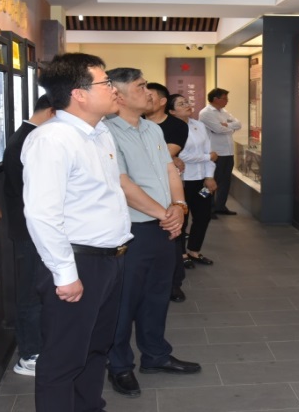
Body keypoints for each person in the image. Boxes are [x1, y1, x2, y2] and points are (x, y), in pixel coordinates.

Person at [21, 53, 132, 412]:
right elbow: (42, 214)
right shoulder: (52, 140)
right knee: (63, 358)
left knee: (96, 349)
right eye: (105, 83)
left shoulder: (100, 133)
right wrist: (65, 274)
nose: (113, 89)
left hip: (109, 260)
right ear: (79, 94)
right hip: (77, 262)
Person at [104, 68, 201, 399]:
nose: (149, 92)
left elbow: (170, 170)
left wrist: (179, 206)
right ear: (118, 95)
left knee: (157, 294)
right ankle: (119, 365)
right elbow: (122, 183)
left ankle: (156, 355)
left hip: (163, 225)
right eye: (141, 86)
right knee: (124, 300)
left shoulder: (151, 128)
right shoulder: (105, 133)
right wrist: (166, 214)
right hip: (132, 229)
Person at [2, 94, 55, 376]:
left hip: (34, 227)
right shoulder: (27, 140)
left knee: (38, 289)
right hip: (30, 229)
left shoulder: (28, 136)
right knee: (31, 291)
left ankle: (37, 346)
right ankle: (30, 354)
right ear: (52, 111)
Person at [144, 82, 190, 302]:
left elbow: (164, 156)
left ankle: (174, 284)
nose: (145, 98)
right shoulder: (136, 122)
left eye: (150, 95)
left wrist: (170, 158)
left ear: (163, 101)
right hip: (139, 191)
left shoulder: (176, 125)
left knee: (172, 236)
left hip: (167, 189)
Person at [168, 93, 218, 268]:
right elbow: (180, 156)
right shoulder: (170, 128)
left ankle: (194, 250)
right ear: (172, 111)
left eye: (187, 102)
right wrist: (207, 157)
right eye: (181, 104)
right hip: (181, 181)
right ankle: (181, 254)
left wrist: (209, 176)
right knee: (182, 218)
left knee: (203, 216)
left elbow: (210, 152)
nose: (187, 105)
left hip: (201, 180)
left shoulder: (199, 125)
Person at [199, 88, 241, 216]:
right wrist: (229, 128)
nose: (227, 101)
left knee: (225, 181)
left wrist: (227, 125)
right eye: (224, 98)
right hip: (215, 152)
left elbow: (238, 124)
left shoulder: (224, 112)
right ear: (215, 99)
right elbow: (218, 129)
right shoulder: (206, 113)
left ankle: (220, 206)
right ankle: (204, 207)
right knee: (210, 181)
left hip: (228, 151)